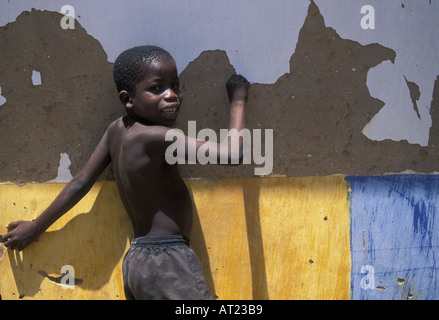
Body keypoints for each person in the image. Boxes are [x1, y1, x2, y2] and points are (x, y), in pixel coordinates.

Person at [1, 45, 249, 300]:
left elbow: (80, 183)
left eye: (175, 85)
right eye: (156, 88)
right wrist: (238, 99)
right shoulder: (157, 136)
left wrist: (36, 227)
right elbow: (233, 154)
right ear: (127, 99)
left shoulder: (115, 130)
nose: (171, 95)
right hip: (168, 261)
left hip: (137, 262)